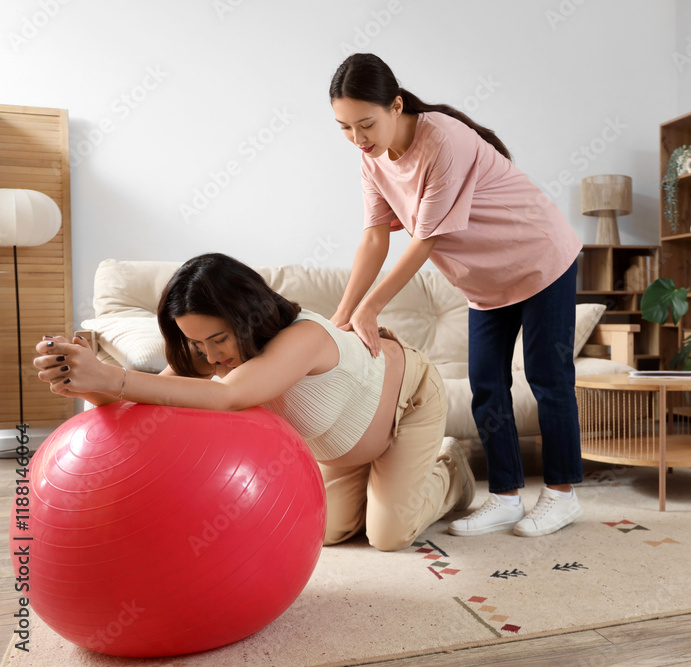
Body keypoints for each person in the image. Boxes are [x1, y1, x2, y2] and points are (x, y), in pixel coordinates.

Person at [33, 253, 474, 553]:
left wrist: (110, 376)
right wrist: (85, 384)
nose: (208, 356)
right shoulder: (212, 352)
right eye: (195, 342)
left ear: (247, 316)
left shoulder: (304, 337)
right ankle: (385, 483)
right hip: (346, 442)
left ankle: (451, 468)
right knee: (329, 531)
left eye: (218, 338)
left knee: (388, 537)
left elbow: (229, 396)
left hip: (407, 403)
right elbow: (155, 404)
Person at [328, 53, 584, 538]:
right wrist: (342, 318)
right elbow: (375, 238)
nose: (358, 140)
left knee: (548, 378)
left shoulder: (441, 137)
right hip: (485, 281)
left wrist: (371, 307)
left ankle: (562, 494)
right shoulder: (372, 162)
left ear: (396, 105)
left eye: (366, 124)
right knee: (487, 385)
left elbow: (425, 239)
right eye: (344, 128)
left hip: (540, 257)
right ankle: (506, 497)